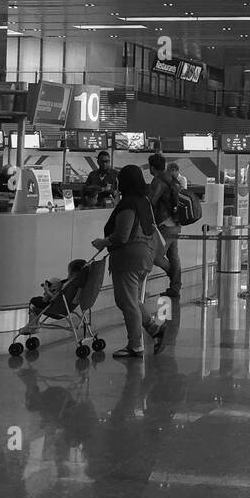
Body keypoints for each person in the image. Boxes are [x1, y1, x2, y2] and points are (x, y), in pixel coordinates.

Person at [91, 165, 164, 360]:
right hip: (144, 256)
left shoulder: (129, 204)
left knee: (127, 302)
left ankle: (135, 345)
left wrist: (102, 242)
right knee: (131, 300)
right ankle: (154, 328)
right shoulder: (144, 201)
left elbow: (122, 235)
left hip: (128, 258)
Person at [146, 152, 182, 299]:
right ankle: (175, 287)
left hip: (165, 224)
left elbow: (150, 202)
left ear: (153, 167)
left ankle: (174, 279)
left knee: (154, 256)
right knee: (173, 256)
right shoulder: (172, 179)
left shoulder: (158, 180)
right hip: (176, 223)